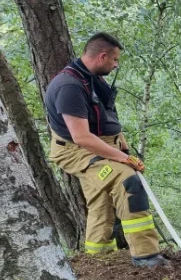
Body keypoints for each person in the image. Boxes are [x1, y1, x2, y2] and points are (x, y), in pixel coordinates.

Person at [45, 32, 167, 267]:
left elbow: (102, 113)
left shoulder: (90, 78)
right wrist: (124, 159)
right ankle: (146, 256)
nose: (116, 65)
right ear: (102, 56)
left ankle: (99, 261)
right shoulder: (69, 86)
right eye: (114, 60)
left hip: (98, 145)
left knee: (100, 201)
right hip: (77, 150)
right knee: (128, 181)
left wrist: (119, 138)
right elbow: (81, 136)